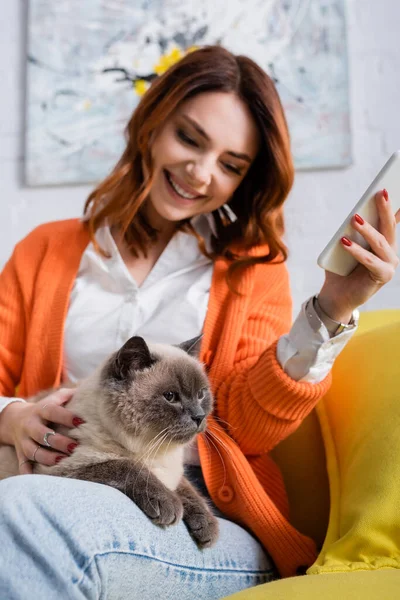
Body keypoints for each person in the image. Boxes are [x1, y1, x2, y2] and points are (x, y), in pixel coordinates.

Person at [0, 45, 398, 600]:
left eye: (232, 165)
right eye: (189, 139)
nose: (201, 173)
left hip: (203, 516)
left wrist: (331, 310)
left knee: (22, 515)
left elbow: (247, 427)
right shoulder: (43, 252)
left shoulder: (252, 269)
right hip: (59, 479)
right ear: (152, 123)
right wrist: (10, 416)